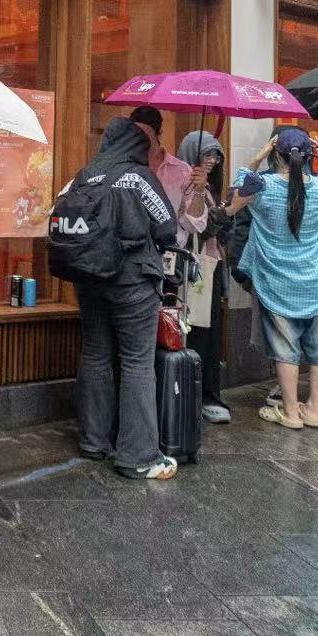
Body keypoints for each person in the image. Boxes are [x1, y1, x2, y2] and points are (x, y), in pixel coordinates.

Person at [71, 117, 181, 481]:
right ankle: (137, 455)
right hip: (132, 281)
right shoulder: (138, 177)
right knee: (136, 361)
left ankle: (93, 441)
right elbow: (167, 227)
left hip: (89, 278)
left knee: (95, 353)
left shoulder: (86, 175)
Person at [228, 129, 318, 430]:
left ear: (275, 153)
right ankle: (314, 411)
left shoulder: (262, 186)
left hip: (276, 280)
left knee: (285, 350)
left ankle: (291, 412)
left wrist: (257, 156)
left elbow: (237, 189)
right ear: (308, 156)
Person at [174, 130, 231, 423]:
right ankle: (196, 395)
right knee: (196, 331)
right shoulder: (184, 184)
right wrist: (229, 210)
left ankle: (207, 394)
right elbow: (194, 227)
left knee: (209, 333)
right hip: (193, 268)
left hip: (210, 266)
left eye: (216, 156)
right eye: (207, 154)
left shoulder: (209, 187)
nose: (212, 161)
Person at [131, 106, 193, 204]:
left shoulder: (182, 170)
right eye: (135, 135)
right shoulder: (124, 167)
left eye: (145, 136)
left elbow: (192, 213)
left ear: (159, 133)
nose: (139, 140)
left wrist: (199, 192)